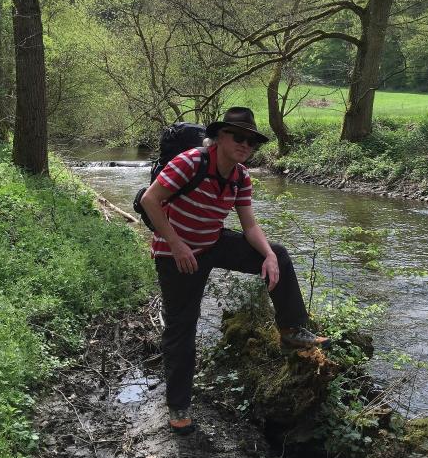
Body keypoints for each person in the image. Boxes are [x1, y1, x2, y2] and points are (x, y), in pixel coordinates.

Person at [141, 107, 329, 434]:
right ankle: (178, 406)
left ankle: (291, 330)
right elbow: (149, 200)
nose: (245, 144)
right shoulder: (190, 163)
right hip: (176, 254)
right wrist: (177, 244)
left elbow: (250, 225)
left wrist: (267, 255)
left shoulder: (241, 176)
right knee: (182, 328)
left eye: (251, 141)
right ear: (219, 137)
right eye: (238, 137)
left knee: (278, 255)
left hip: (211, 242)